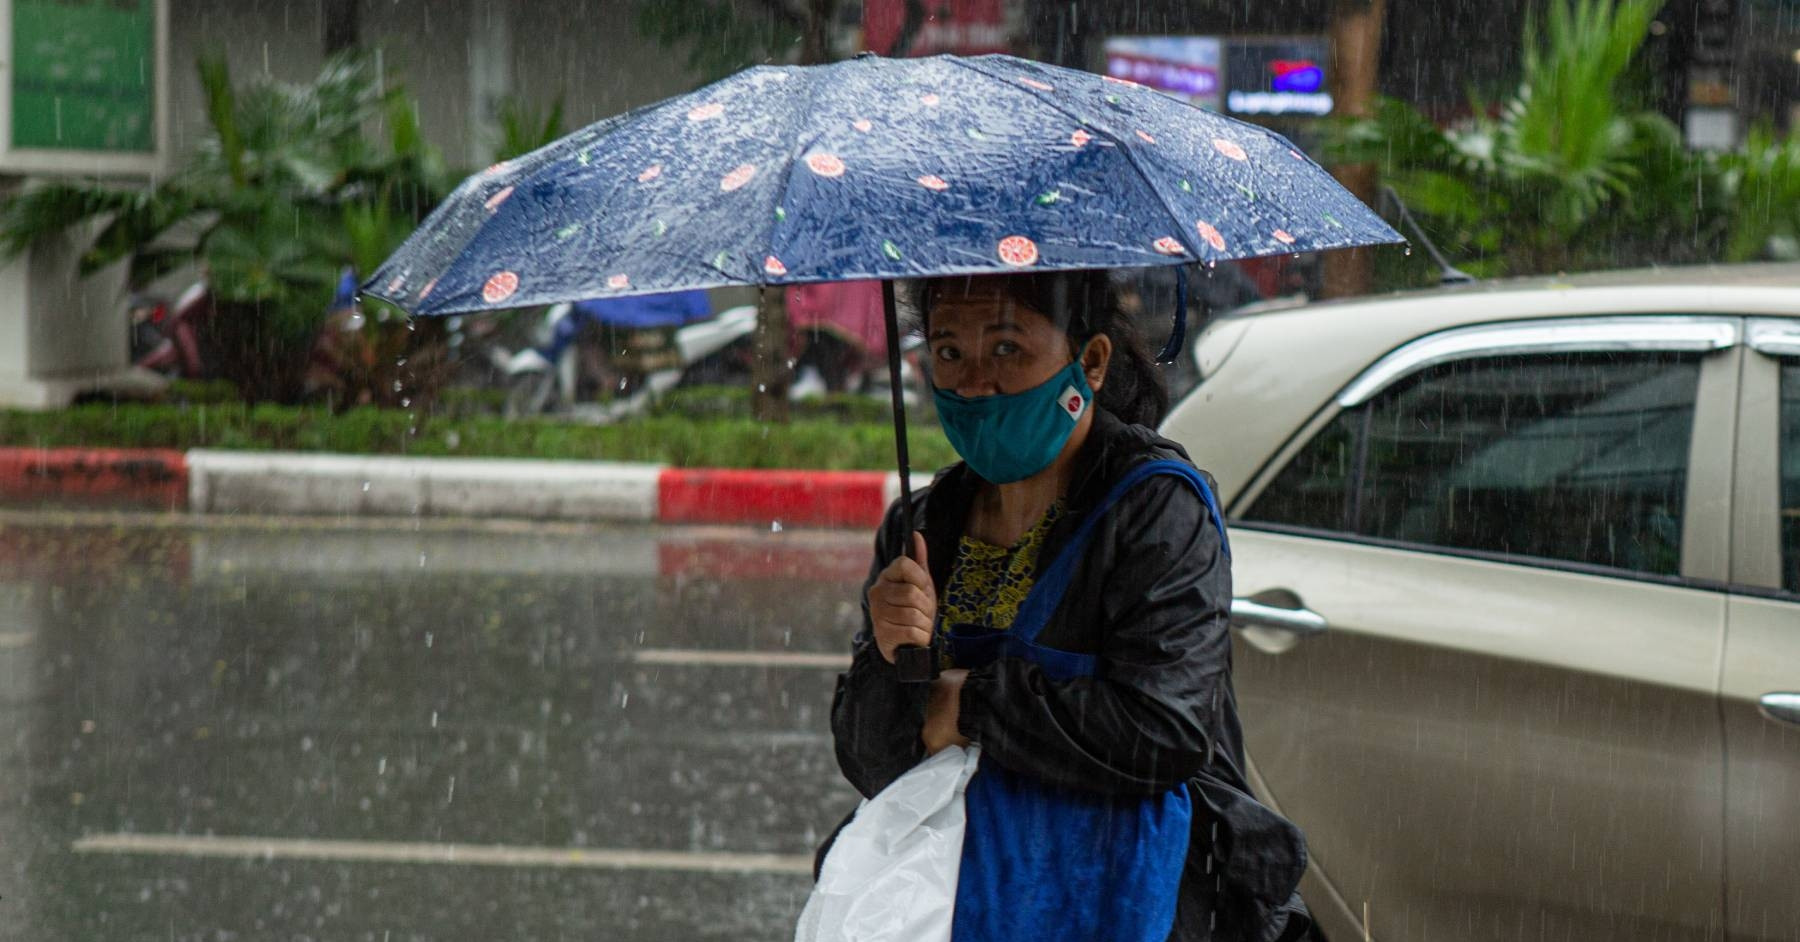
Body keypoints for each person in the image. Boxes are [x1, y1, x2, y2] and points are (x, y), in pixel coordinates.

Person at [828, 270, 1312, 941]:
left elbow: (1161, 732)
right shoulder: (920, 527)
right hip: (956, 901)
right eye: (948, 353)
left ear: (1091, 360)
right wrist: (888, 661)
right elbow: (873, 764)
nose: (972, 383)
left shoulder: (1155, 509)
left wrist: (963, 705)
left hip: (1130, 896)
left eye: (1006, 351)